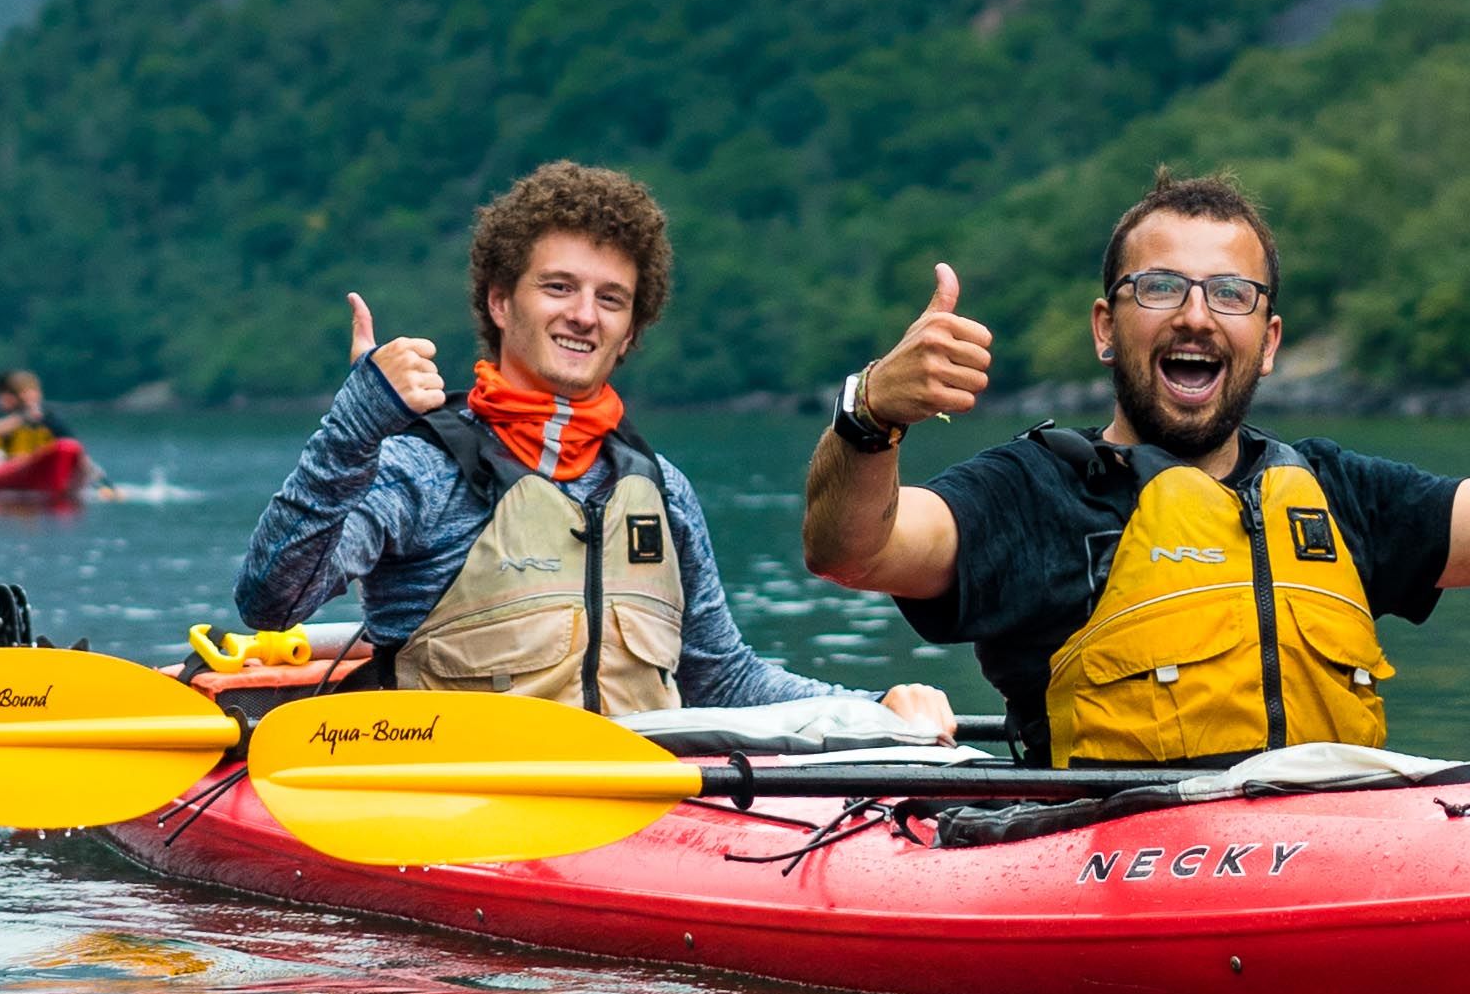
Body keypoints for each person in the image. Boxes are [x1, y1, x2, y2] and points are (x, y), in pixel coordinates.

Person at [798, 170, 1470, 765]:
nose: (1195, 315)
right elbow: (852, 550)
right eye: (1160, 287)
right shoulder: (1033, 495)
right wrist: (870, 411)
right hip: (1111, 876)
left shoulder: (1338, 493)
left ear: (1271, 339)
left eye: (1230, 293)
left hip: (1331, 854)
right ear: (1106, 327)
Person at [239, 160, 958, 732]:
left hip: (641, 823)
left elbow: (722, 677)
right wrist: (357, 421)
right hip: (455, 808)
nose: (584, 314)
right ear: (499, 301)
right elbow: (273, 599)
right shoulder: (421, 467)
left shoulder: (660, 488)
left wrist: (872, 710)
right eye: (558, 286)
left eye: (611, 298)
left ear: (631, 327)